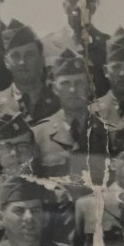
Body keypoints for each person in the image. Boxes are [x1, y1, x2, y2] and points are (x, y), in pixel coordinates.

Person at [0, 113, 74, 246]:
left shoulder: (57, 197)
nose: (15, 154)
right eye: (7, 147)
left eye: (22, 146)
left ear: (34, 151)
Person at [32, 49, 110, 185]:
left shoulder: (106, 130)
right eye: (65, 83)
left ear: (89, 87)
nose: (73, 90)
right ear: (54, 88)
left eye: (79, 83)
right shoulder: (39, 135)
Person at [41, 0, 110, 98]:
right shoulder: (45, 48)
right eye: (73, 0)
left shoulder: (109, 47)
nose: (79, 7)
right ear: (64, 6)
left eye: (85, 0)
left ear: (94, 6)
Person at [0, 20, 60, 124]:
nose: (22, 62)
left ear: (41, 59)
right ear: (6, 62)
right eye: (15, 56)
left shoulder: (61, 101)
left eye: (29, 55)